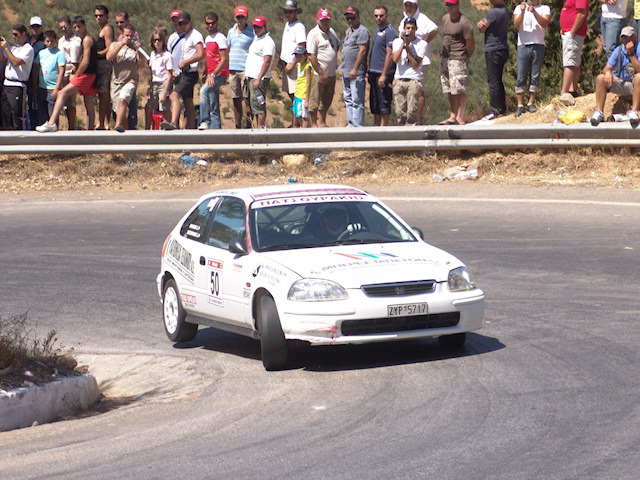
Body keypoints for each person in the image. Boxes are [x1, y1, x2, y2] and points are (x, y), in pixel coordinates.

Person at [37, 16, 98, 132]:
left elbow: (85, 61)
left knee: (62, 94)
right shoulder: (82, 39)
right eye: (75, 27)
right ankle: (90, 132)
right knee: (89, 104)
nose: (77, 29)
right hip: (90, 74)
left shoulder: (85, 40)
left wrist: (77, 75)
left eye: (79, 27)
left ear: (84, 25)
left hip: (84, 74)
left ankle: (52, 123)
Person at [161, 11, 204, 130]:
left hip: (190, 73)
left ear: (190, 22)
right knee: (188, 101)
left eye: (185, 23)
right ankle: (190, 128)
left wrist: (186, 62)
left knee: (174, 96)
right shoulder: (186, 36)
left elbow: (200, 54)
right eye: (180, 23)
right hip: (184, 72)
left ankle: (174, 123)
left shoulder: (195, 35)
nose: (182, 25)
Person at [590, 26, 640, 126]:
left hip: (637, 85)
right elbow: (607, 67)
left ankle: (634, 111)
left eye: (628, 37)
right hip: (623, 83)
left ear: (634, 37)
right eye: (623, 38)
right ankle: (599, 112)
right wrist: (608, 72)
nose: (626, 40)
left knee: (639, 77)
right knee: (601, 78)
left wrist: (631, 54)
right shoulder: (619, 50)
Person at [399, 0, 438, 124]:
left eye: (410, 5)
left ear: (416, 6)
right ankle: (407, 120)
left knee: (419, 89)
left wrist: (424, 42)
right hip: (406, 61)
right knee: (406, 89)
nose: (408, 8)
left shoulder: (422, 19)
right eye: (406, 5)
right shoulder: (404, 20)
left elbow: (434, 29)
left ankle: (417, 120)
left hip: (420, 61)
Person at [439, 0, 474, 125]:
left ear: (457, 5)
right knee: (449, 88)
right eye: (447, 4)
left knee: (460, 88)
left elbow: (470, 44)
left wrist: (465, 57)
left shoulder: (464, 23)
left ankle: (460, 116)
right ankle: (452, 115)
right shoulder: (445, 19)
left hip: (458, 57)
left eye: (451, 5)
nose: (448, 7)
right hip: (446, 58)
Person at [513, 0, 551, 117]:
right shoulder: (519, 8)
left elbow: (545, 23)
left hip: (538, 44)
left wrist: (534, 12)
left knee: (535, 75)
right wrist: (522, 12)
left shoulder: (544, 8)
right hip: (523, 45)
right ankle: (520, 104)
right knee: (521, 75)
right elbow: (516, 25)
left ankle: (531, 102)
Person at [106, 23, 144, 132]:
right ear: (122, 35)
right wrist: (121, 45)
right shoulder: (115, 45)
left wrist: (139, 49)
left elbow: (143, 64)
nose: (129, 38)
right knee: (118, 110)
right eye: (127, 35)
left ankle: (117, 126)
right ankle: (124, 132)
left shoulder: (136, 49)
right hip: (117, 81)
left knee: (123, 100)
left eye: (131, 36)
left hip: (130, 81)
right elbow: (109, 57)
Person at [307, 8, 340, 128]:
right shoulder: (313, 34)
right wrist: (321, 72)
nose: (325, 22)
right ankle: (313, 123)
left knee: (326, 99)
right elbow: (311, 56)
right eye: (322, 20)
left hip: (331, 73)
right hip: (319, 74)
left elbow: (337, 45)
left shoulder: (332, 32)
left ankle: (322, 122)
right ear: (317, 20)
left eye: (327, 20)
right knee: (314, 99)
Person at [477, 0, 509, 119]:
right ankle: (502, 108)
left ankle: (495, 110)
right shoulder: (505, 10)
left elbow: (481, 29)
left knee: (493, 81)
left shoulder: (493, 13)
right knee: (498, 80)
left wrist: (480, 24)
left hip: (493, 49)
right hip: (502, 48)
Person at [391, 17, 427, 126]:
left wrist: (408, 48)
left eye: (412, 28)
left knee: (412, 112)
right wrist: (403, 43)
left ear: (416, 29)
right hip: (399, 79)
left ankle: (412, 131)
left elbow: (415, 65)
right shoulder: (397, 42)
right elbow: (395, 59)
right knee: (399, 112)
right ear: (404, 29)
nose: (410, 30)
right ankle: (402, 132)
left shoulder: (422, 44)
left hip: (413, 80)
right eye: (408, 28)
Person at [339, 7, 370, 127]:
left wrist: (355, 68)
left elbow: (362, 50)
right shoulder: (348, 31)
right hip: (346, 71)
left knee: (357, 100)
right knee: (348, 99)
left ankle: (358, 126)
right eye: (348, 18)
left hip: (356, 72)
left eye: (352, 18)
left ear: (358, 17)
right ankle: (351, 124)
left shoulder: (362, 31)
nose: (350, 20)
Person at [199, 12, 229, 130]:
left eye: (213, 23)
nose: (210, 25)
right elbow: (209, 58)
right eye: (208, 23)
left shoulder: (220, 38)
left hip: (219, 74)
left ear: (217, 23)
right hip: (210, 74)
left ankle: (205, 121)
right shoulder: (207, 39)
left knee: (203, 91)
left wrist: (213, 75)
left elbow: (224, 59)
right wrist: (205, 72)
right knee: (213, 103)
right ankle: (216, 129)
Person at [0, 24, 34, 130]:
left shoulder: (28, 49)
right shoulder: (14, 48)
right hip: (7, 84)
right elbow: (2, 59)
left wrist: (6, 48)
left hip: (17, 86)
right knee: (5, 114)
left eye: (16, 34)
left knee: (17, 115)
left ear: (23, 34)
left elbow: (16, 62)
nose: (14, 37)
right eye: (13, 34)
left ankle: (20, 136)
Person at [279, 0, 306, 127]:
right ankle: (295, 122)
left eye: (289, 12)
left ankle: (298, 124)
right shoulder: (288, 25)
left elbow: (302, 46)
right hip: (286, 64)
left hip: (293, 66)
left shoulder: (299, 27)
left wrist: (293, 63)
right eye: (286, 11)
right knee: (291, 94)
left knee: (297, 95)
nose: (287, 14)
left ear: (295, 12)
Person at [245, 16, 275, 129]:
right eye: (255, 27)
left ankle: (260, 128)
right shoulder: (257, 39)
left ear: (264, 27)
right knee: (254, 105)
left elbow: (266, 61)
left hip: (259, 79)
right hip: (252, 77)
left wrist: (258, 79)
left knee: (259, 105)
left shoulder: (268, 42)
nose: (256, 29)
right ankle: (257, 127)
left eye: (259, 27)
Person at [227, 6, 254, 129]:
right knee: (236, 99)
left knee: (247, 99)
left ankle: (249, 126)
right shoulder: (231, 32)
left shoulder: (252, 33)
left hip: (245, 70)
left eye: (242, 17)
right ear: (235, 17)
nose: (240, 19)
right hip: (232, 70)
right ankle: (237, 126)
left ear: (246, 18)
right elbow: (228, 49)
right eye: (238, 17)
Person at [369, 6, 396, 126]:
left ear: (387, 16)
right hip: (373, 72)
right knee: (374, 101)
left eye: (381, 15)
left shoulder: (390, 32)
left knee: (384, 100)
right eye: (376, 16)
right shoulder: (377, 31)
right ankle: (376, 124)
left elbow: (389, 54)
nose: (378, 18)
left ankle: (383, 126)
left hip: (383, 72)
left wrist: (384, 75)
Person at [32, 30, 65, 127]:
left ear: (55, 40)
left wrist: (56, 88)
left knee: (52, 116)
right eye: (47, 41)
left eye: (52, 41)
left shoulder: (59, 54)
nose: (50, 43)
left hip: (52, 88)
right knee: (41, 115)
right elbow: (36, 69)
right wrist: (35, 85)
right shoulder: (41, 53)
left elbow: (61, 72)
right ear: (44, 41)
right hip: (41, 88)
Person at [115, 11, 141, 129]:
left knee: (128, 100)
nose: (119, 25)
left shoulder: (134, 36)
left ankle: (129, 126)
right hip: (119, 77)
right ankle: (122, 127)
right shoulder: (120, 38)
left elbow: (140, 59)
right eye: (117, 22)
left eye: (122, 22)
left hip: (131, 76)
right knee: (120, 104)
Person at [145, 28, 173, 128]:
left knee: (164, 108)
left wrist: (165, 92)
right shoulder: (153, 54)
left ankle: (166, 128)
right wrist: (149, 88)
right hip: (154, 84)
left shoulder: (167, 55)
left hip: (164, 83)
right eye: (155, 40)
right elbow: (151, 72)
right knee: (149, 107)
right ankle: (147, 129)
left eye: (159, 40)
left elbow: (170, 75)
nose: (157, 42)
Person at [58, 15, 82, 129]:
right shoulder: (61, 40)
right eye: (61, 27)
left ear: (71, 26)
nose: (64, 29)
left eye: (65, 27)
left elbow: (75, 63)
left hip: (70, 72)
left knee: (71, 102)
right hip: (60, 72)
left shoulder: (76, 41)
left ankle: (71, 126)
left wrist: (73, 75)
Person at [559, 0, 588, 98]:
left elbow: (582, 12)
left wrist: (572, 31)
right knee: (574, 60)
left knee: (569, 61)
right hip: (569, 32)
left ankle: (564, 91)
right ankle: (572, 89)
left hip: (573, 33)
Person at [94, 5, 114, 129]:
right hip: (100, 64)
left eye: (101, 15)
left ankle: (103, 122)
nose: (98, 18)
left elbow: (109, 48)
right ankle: (104, 122)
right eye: (96, 15)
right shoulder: (101, 29)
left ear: (106, 16)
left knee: (104, 94)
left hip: (104, 64)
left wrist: (96, 54)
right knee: (102, 94)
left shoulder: (107, 29)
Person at [27, 16, 45, 130]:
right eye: (33, 26)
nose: (35, 28)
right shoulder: (27, 40)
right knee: (30, 105)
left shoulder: (44, 42)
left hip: (40, 78)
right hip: (27, 78)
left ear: (41, 27)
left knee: (40, 106)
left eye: (37, 26)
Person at [291, 45, 312, 127]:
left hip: (303, 95)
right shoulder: (299, 66)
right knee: (297, 114)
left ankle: (304, 131)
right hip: (298, 94)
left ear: (305, 56)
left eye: (300, 56)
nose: (298, 58)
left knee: (304, 116)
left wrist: (306, 100)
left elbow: (308, 84)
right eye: (296, 56)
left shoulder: (307, 67)